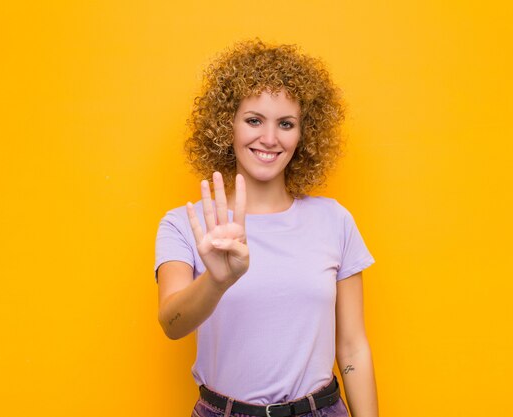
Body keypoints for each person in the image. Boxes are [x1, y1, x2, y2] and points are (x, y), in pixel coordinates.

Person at [155, 39, 378, 417]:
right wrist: (217, 280)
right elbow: (172, 325)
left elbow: (353, 346)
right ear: (228, 126)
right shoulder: (184, 224)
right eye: (254, 120)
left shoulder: (334, 220)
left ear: (303, 134)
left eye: (286, 124)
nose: (270, 139)